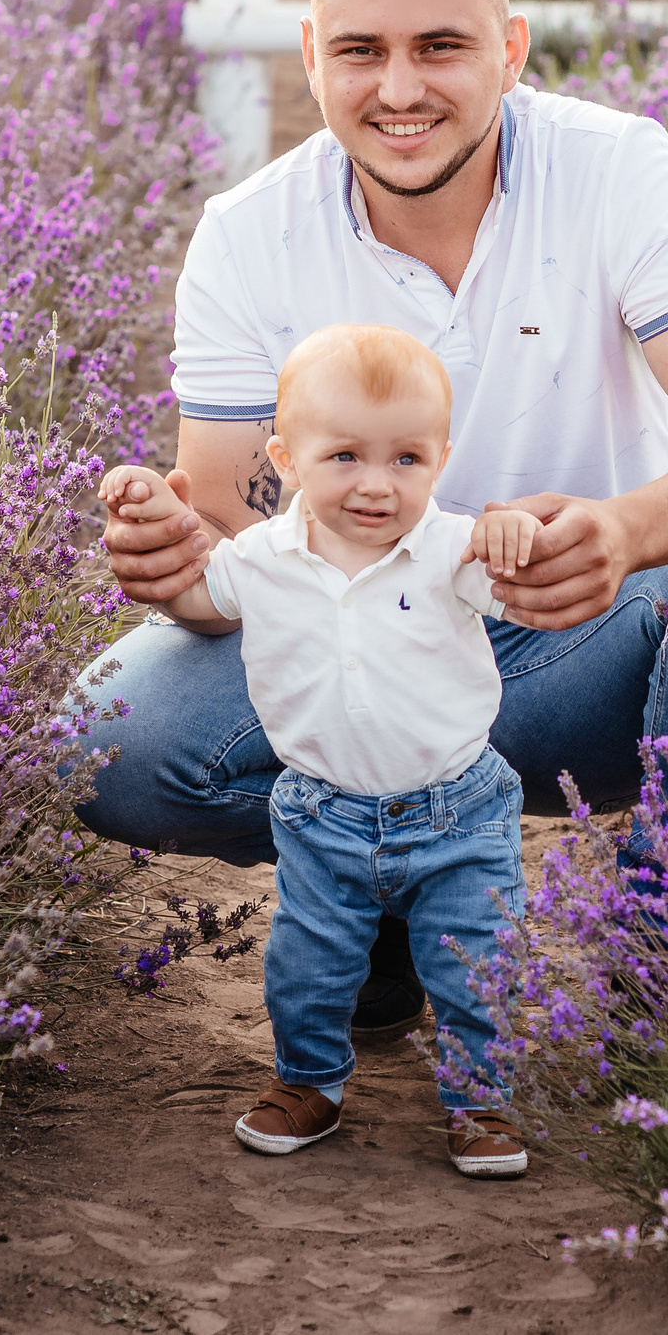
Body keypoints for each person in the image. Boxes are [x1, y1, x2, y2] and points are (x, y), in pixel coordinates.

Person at [70, 0, 668, 1041]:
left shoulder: (615, 168)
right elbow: (234, 524)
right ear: (311, 58)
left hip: (588, 631)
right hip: (358, 649)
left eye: (440, 45)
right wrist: (179, 562)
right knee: (109, 744)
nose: (398, 89)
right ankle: (379, 885)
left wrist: (622, 531)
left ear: (510, 49)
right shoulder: (246, 232)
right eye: (360, 51)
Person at [100, 323, 545, 1175]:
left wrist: (516, 533)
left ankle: (481, 1096)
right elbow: (197, 590)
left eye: (407, 460)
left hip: (457, 805)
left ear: (441, 459)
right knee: (306, 963)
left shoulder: (451, 548)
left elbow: (523, 590)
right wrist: (151, 508)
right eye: (344, 456)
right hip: (320, 808)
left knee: (474, 961)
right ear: (286, 458)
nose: (377, 485)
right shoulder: (262, 555)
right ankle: (310, 1080)